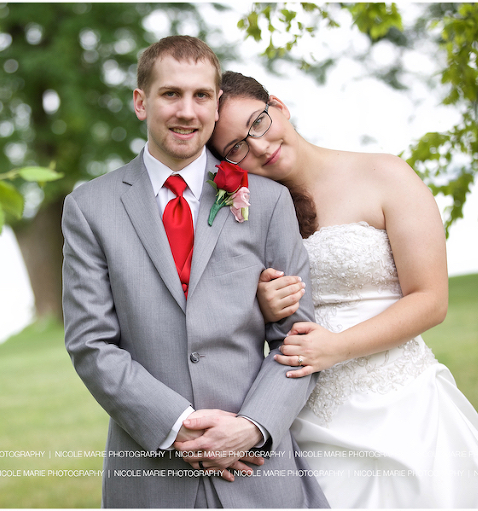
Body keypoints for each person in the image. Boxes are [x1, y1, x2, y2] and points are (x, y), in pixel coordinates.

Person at [207, 70, 478, 508]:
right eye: (236, 147)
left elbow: (430, 300)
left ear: (279, 107)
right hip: (307, 412)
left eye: (258, 123)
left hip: (403, 404)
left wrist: (338, 347)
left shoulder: (383, 173)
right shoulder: (244, 214)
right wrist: (263, 306)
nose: (259, 146)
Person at [62, 37, 328, 508]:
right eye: (171, 94)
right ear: (141, 102)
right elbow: (91, 343)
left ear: (215, 104)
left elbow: (298, 339)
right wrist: (178, 425)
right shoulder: (90, 208)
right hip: (150, 474)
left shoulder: (265, 201)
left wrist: (252, 427)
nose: (187, 111)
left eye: (201, 96)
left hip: (259, 472)